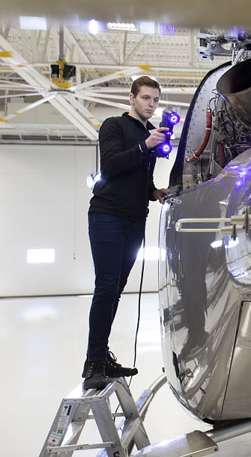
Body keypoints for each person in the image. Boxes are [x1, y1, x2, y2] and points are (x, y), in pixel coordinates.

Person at [82, 76, 170, 390]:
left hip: (135, 219)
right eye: (146, 98)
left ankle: (102, 356)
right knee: (106, 287)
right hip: (108, 216)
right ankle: (93, 363)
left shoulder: (149, 134)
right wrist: (145, 146)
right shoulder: (114, 127)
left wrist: (154, 191)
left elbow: (137, 177)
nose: (151, 104)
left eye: (155, 100)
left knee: (115, 289)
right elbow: (111, 166)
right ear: (131, 98)